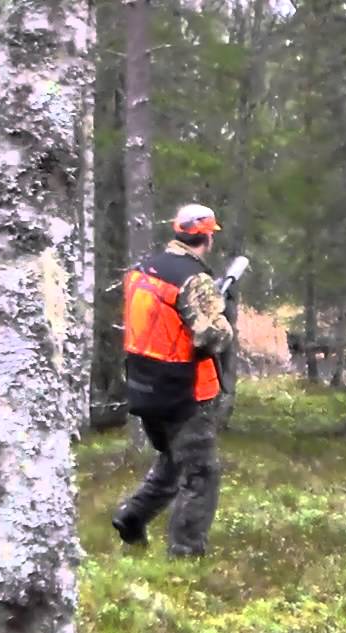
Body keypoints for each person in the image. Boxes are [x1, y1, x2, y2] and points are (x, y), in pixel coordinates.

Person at [113, 203, 237, 557]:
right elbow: (212, 338)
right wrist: (222, 311)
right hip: (183, 390)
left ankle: (132, 517)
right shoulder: (193, 280)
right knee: (201, 473)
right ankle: (185, 554)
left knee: (171, 459)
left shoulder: (142, 268)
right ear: (206, 237)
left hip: (143, 385)